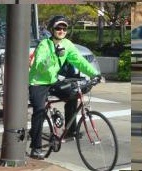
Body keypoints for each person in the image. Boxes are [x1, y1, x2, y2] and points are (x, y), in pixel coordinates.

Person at [28, 15, 101, 159]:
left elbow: (79, 61)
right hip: (38, 82)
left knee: (73, 94)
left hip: (54, 80)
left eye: (64, 28)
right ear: (52, 29)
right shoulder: (44, 44)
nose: (61, 30)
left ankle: (69, 130)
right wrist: (54, 55)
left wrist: (95, 74)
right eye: (58, 28)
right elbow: (40, 66)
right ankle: (35, 148)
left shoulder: (67, 44)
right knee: (39, 111)